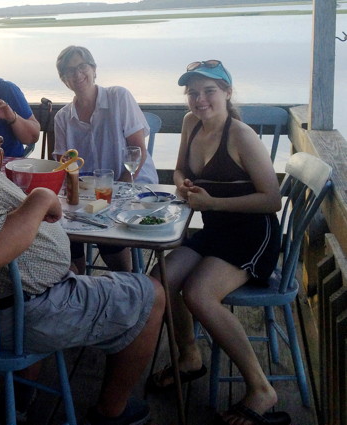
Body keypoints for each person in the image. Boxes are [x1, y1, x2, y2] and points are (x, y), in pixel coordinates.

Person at [0, 62, 165, 425]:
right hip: (15, 315)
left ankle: (19, 396)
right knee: (153, 293)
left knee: (71, 267)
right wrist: (38, 200)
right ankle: (112, 411)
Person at [146, 60, 289, 425]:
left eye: (209, 90)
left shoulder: (240, 135)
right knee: (161, 280)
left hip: (252, 235)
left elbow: (272, 199)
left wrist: (213, 203)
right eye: (193, 92)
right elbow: (179, 169)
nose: (200, 99)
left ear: (227, 92)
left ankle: (261, 389)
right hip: (214, 231)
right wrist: (182, 185)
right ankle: (189, 355)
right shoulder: (191, 124)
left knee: (198, 294)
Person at [53, 45, 158, 273]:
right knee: (64, 226)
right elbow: (65, 164)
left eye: (82, 66)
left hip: (132, 184)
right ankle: (80, 284)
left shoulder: (119, 97)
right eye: (69, 71)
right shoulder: (62, 117)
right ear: (64, 79)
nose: (78, 74)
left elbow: (137, 150)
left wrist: (118, 188)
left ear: (94, 69)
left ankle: (126, 280)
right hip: (88, 193)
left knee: (104, 222)